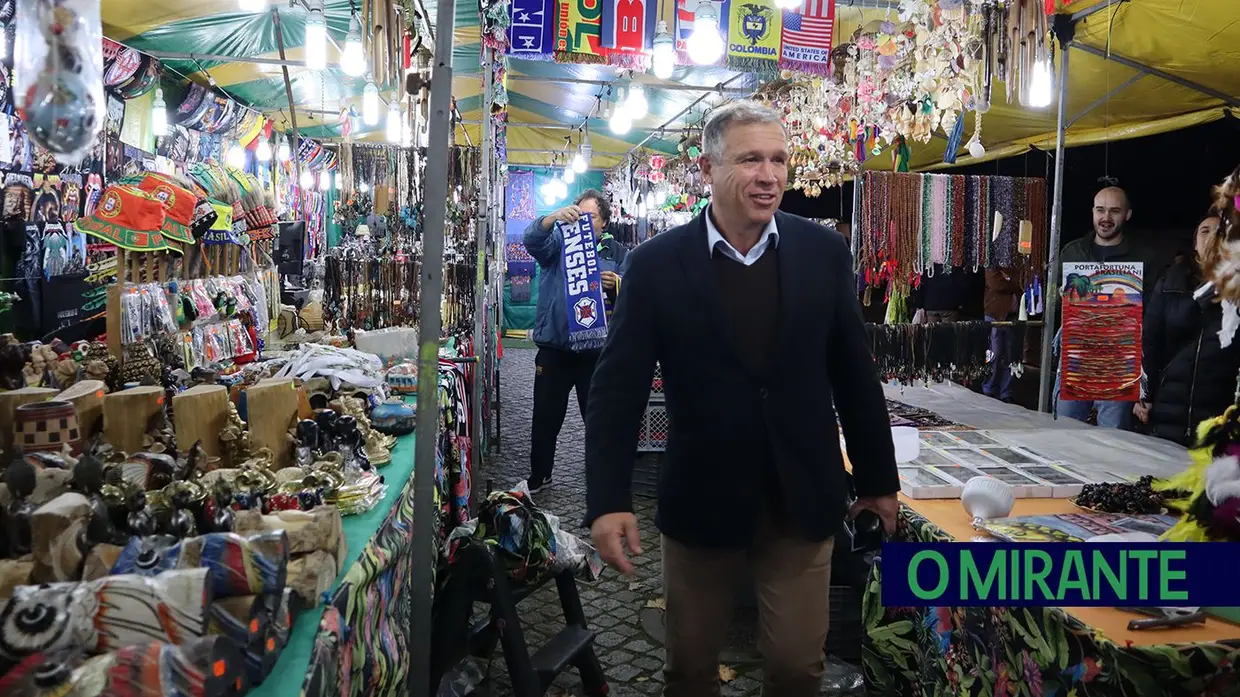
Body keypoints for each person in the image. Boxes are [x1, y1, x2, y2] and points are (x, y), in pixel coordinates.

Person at [583, 101, 899, 697]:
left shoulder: (822, 254)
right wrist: (607, 499)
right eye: (751, 159)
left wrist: (879, 479)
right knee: (690, 668)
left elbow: (854, 371)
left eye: (779, 159)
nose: (769, 175)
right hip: (702, 499)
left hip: (800, 497)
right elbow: (616, 389)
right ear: (707, 168)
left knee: (796, 666)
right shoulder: (655, 266)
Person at [522, 189, 627, 492]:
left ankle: (603, 480)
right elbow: (532, 241)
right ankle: (540, 474)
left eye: (591, 216)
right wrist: (553, 218)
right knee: (545, 415)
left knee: (597, 418)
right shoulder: (557, 244)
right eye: (578, 214)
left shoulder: (617, 254)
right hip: (555, 348)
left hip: (595, 352)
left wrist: (617, 284)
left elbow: (637, 290)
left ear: (604, 222)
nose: (583, 221)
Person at [1055, 186, 1159, 429]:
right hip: (1076, 358)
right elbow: (1051, 299)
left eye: (1114, 211)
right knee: (1062, 435)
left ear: (1128, 215)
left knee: (1112, 441)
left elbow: (1154, 315)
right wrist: (1059, 298)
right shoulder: (1072, 251)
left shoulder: (1145, 257)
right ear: (1092, 212)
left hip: (1120, 363)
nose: (1106, 218)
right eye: (1100, 210)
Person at [1135, 214, 1240, 445]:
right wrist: (1145, 395)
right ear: (1194, 244)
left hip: (1219, 409)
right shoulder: (1171, 281)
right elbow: (1151, 341)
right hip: (1170, 405)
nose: (1212, 236)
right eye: (1205, 231)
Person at [983, 268, 1023, 402]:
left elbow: (1024, 281)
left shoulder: (1019, 262)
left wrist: (1009, 278)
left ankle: (1006, 392)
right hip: (995, 314)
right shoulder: (993, 261)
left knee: (1011, 355)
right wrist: (1015, 281)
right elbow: (996, 283)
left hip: (1014, 315)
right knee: (994, 353)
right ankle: (989, 387)